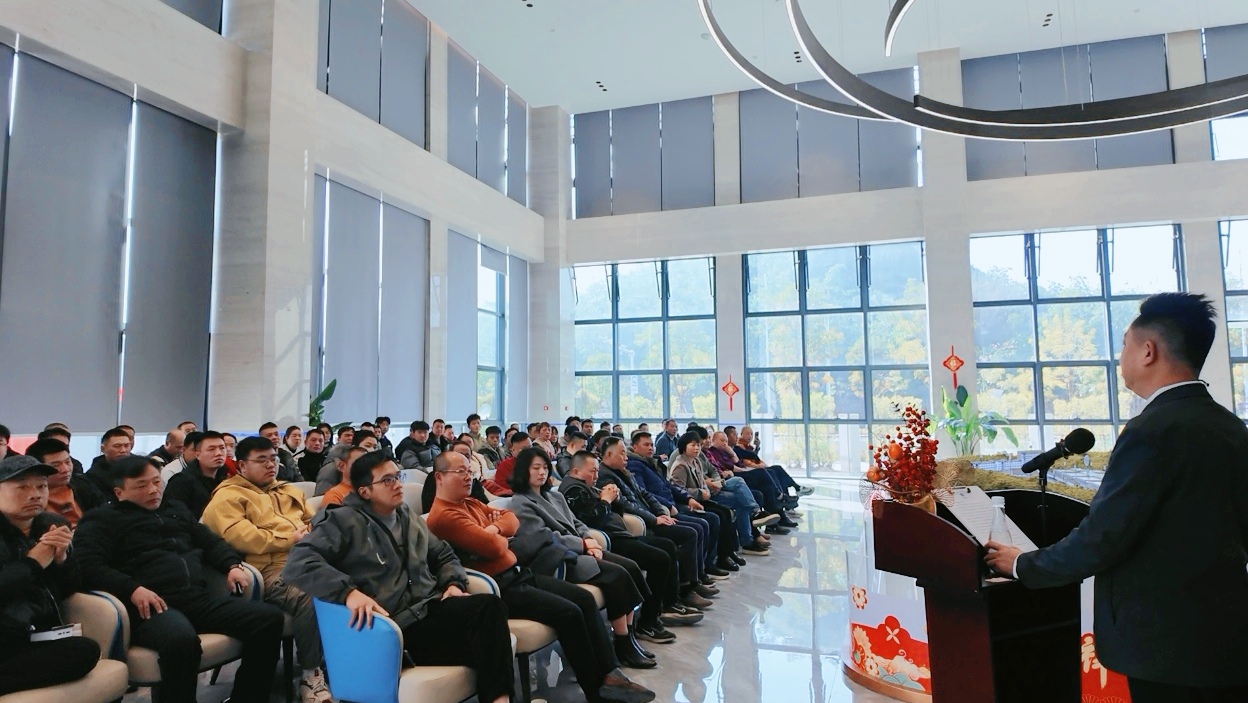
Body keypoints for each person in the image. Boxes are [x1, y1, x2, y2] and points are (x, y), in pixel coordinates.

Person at [985, 293, 1248, 703]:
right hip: (1227, 636)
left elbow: (1103, 537)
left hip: (1164, 646)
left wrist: (1021, 564)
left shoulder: (1151, 430)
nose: (1120, 356)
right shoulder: (1230, 427)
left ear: (1148, 351)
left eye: (1125, 344)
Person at [282, 451, 515, 703]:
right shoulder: (342, 522)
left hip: (428, 609)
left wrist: (453, 583)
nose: (397, 485)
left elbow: (443, 555)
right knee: (491, 642)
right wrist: (348, 593)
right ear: (364, 491)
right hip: (392, 627)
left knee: (490, 611)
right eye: (387, 480)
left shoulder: (405, 515)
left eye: (398, 477)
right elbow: (299, 562)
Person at [427, 452, 655, 702]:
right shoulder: (444, 516)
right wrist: (498, 535)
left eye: (469, 471)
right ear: (439, 477)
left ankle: (610, 675)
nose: (468, 477)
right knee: (569, 613)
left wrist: (493, 529)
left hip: (518, 573)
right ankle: (595, 690)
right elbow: (495, 547)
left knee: (583, 599)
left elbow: (511, 521)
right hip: (498, 586)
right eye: (460, 472)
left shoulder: (470, 503)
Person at [76, 455, 284, 703]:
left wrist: (231, 565)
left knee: (268, 618)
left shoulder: (175, 510)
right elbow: (88, 565)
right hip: (152, 607)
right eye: (142, 486)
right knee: (180, 641)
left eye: (157, 482)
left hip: (196, 598)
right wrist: (131, 588)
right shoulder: (102, 520)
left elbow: (210, 541)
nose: (153, 490)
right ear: (119, 492)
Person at [201, 436, 329, 703]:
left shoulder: (287, 490)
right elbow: (243, 538)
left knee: (357, 578)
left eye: (273, 459)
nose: (271, 465)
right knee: (309, 594)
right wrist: (289, 539)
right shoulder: (227, 497)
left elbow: (313, 521)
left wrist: (314, 534)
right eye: (261, 460)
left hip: (309, 558)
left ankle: (346, 662)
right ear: (241, 465)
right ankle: (311, 674)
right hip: (268, 569)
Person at [506, 448, 655, 669]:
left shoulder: (554, 496)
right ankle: (623, 642)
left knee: (630, 567)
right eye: (535, 468)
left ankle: (630, 636)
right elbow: (543, 537)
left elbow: (577, 523)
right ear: (523, 471)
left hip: (580, 549)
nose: (542, 472)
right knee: (616, 576)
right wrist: (582, 544)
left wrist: (589, 538)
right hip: (561, 558)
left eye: (545, 467)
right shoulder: (520, 502)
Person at [559, 451, 694, 639]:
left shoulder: (587, 485)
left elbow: (619, 510)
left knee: (667, 547)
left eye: (597, 471)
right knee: (659, 558)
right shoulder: (572, 490)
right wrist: (605, 500)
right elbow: (594, 521)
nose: (596, 475)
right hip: (608, 540)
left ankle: (667, 605)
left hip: (620, 534)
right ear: (576, 471)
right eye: (592, 471)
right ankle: (648, 621)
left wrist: (615, 497)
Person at [0, 455, 100, 696]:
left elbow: (70, 588)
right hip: (6, 636)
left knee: (86, 650)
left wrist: (61, 559)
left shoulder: (49, 525)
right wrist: (33, 563)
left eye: (42, 486)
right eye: (22, 487)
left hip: (37, 634)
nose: (35, 494)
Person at [596, 437, 714, 610]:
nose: (626, 456)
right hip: (641, 524)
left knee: (698, 526)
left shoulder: (623, 471)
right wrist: (654, 519)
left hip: (651, 516)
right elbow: (627, 505)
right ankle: (685, 589)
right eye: (622, 453)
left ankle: (692, 583)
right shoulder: (605, 477)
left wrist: (660, 512)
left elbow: (645, 494)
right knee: (688, 534)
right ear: (608, 455)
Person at [625, 433, 726, 577]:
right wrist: (668, 506)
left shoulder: (652, 463)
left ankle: (704, 568)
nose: (650, 448)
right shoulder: (635, 466)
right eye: (646, 445)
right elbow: (644, 494)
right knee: (699, 526)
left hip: (673, 504)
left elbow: (669, 486)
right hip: (661, 511)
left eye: (651, 445)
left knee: (716, 516)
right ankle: (691, 579)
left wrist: (688, 499)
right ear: (634, 447)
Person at [24, 438, 107, 528]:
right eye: (56, 465)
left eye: (67, 462)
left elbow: (103, 512)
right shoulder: (27, 496)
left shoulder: (82, 484)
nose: (66, 469)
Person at [162, 430, 229, 519]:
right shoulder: (181, 482)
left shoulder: (227, 478)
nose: (219, 453)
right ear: (197, 455)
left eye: (222, 448)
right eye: (211, 449)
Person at [83, 427, 134, 501]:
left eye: (126, 446)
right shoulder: (94, 475)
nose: (123, 450)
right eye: (117, 446)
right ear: (103, 449)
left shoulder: (140, 465)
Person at [485, 431, 532, 496]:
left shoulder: (538, 462)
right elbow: (502, 489)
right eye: (524, 449)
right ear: (513, 450)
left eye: (531, 447)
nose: (530, 452)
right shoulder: (505, 465)